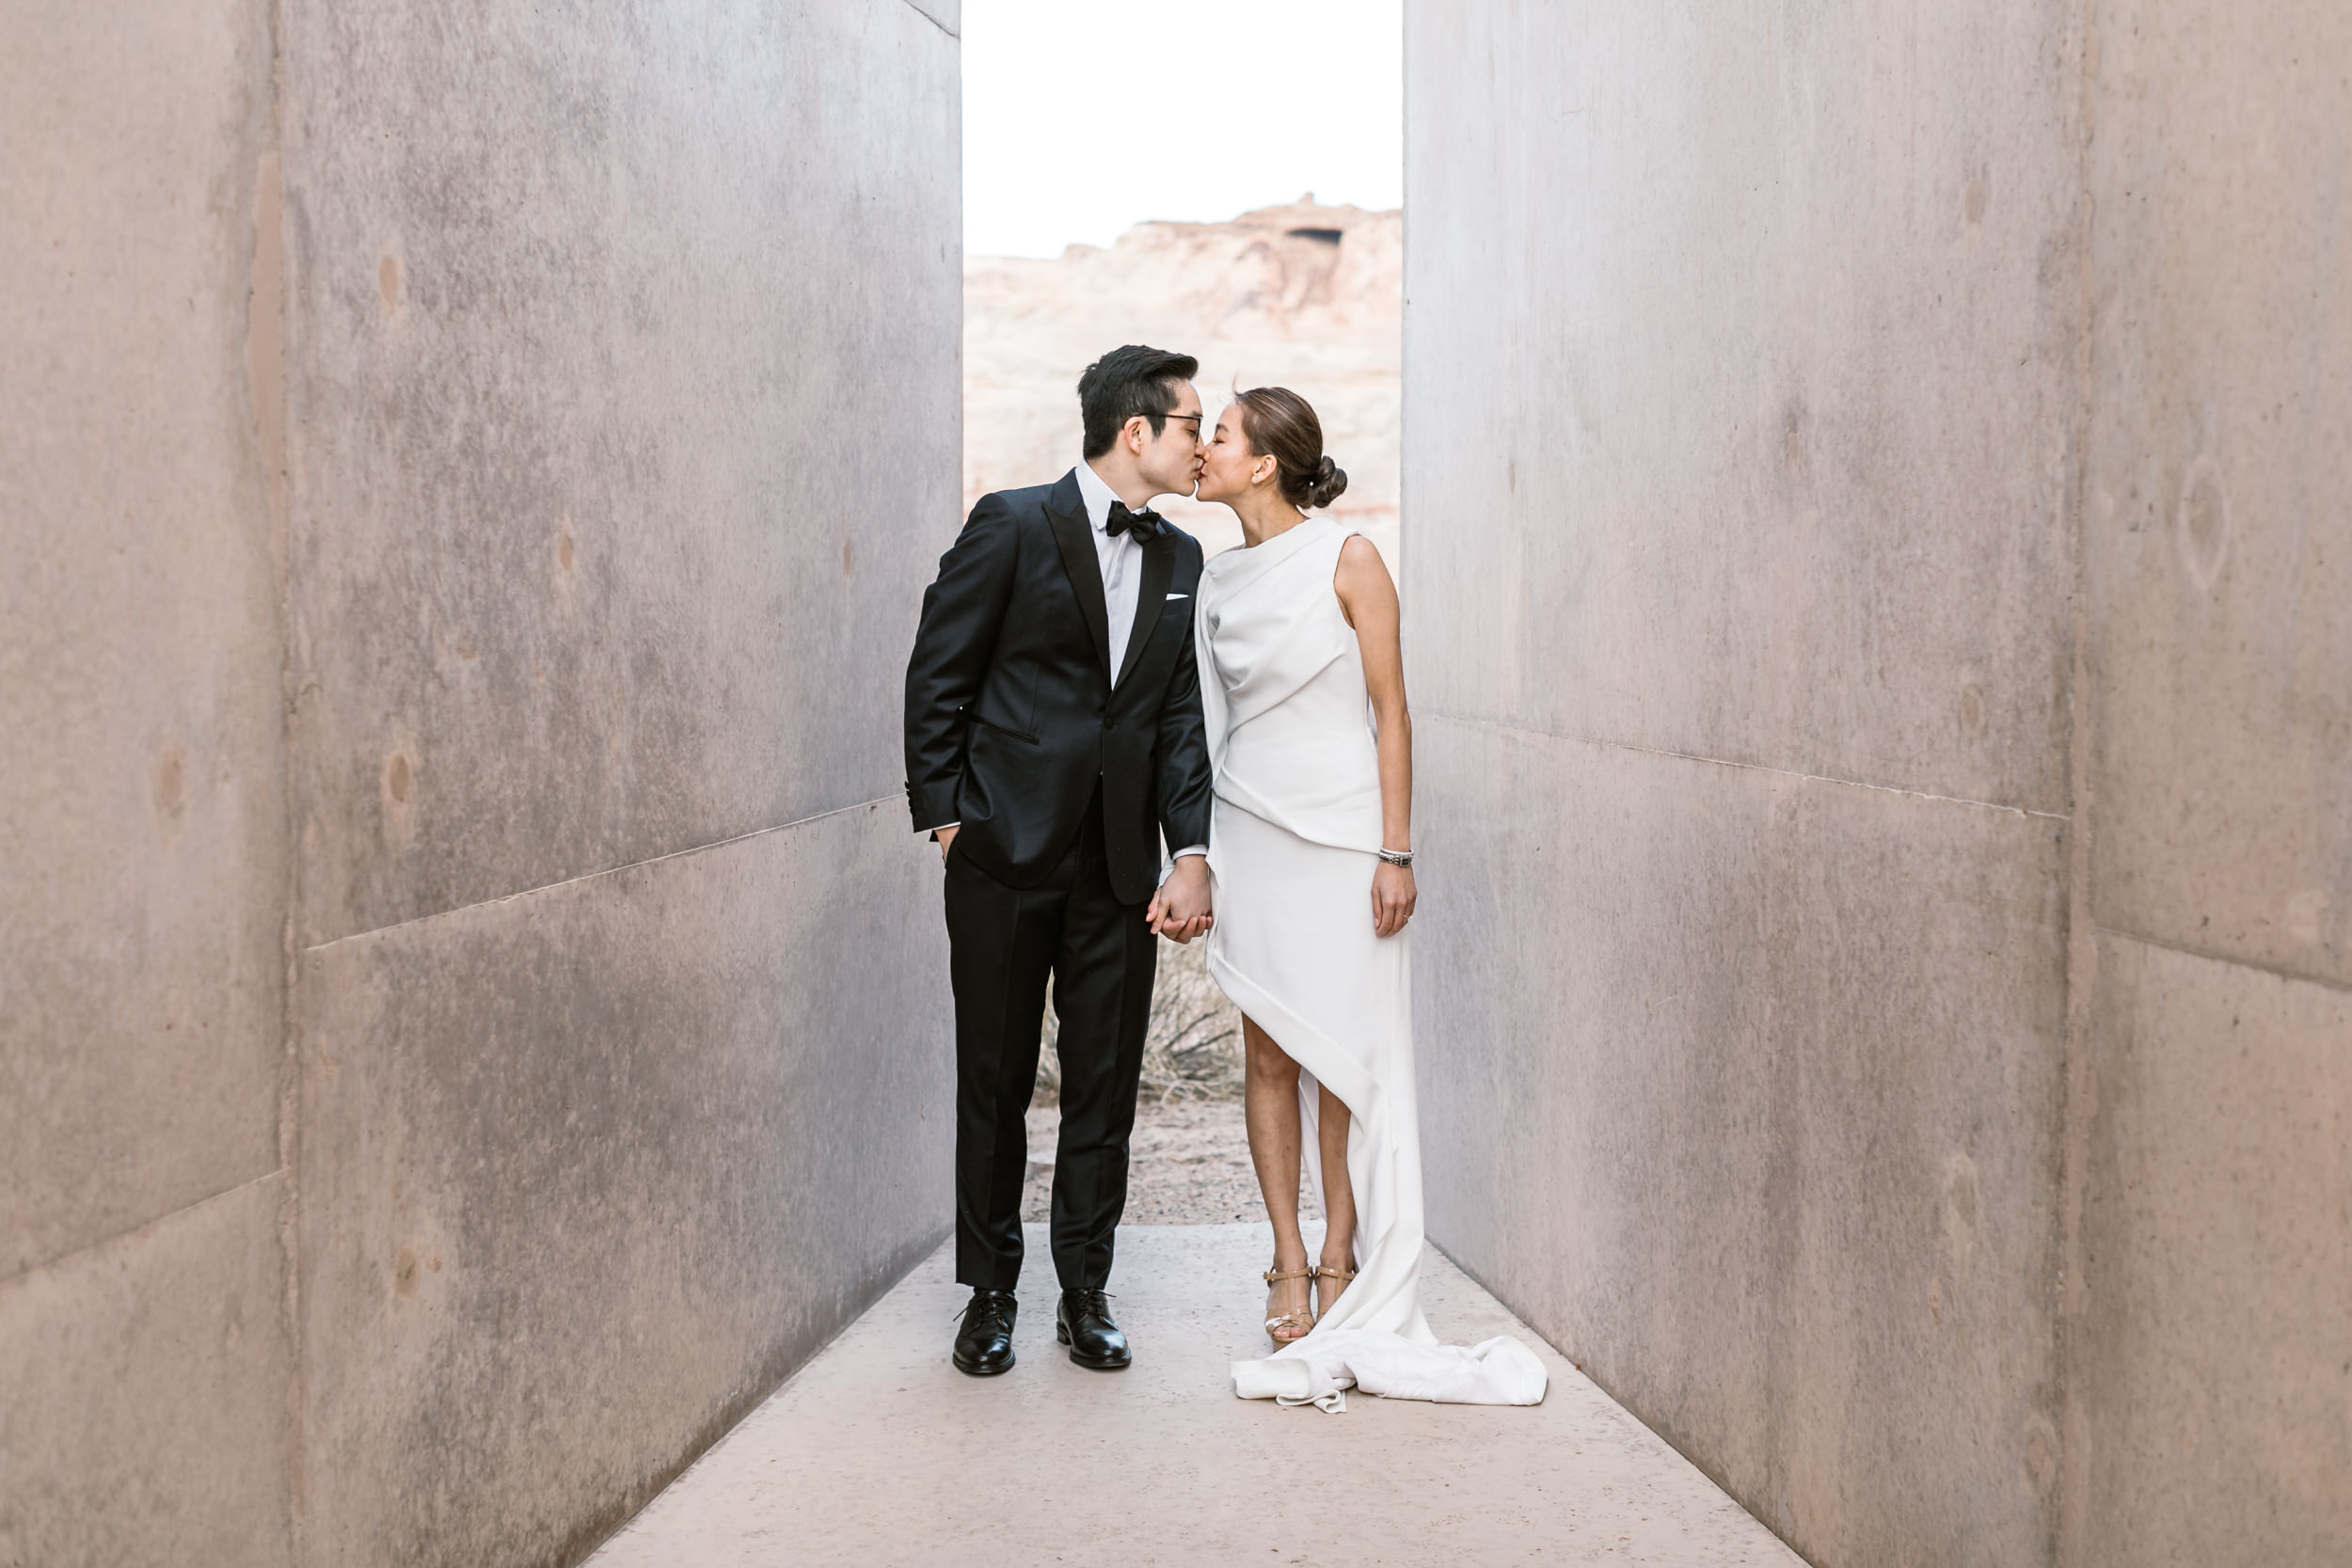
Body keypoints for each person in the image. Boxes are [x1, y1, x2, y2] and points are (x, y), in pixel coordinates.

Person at [1190, 387, 1545, 1411]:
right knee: (1266, 1050)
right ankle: (1287, 1258)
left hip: (1345, 838)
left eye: (1217, 434)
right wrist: (1203, 853)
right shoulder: (1214, 580)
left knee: (1341, 1050)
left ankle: (1345, 1256)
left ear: (1263, 462)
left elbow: (1390, 714)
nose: (1202, 448)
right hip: (1253, 828)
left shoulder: (1349, 559)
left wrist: (1395, 849)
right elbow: (1208, 726)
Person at [903, 344, 1216, 1378]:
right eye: (1189, 425)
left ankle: (1084, 1289)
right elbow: (937, 673)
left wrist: (1190, 852)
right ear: (1137, 431)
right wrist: (952, 821)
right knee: (992, 1080)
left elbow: (1175, 719)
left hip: (1121, 872)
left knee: (1104, 1084)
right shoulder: (1011, 520)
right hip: (1003, 854)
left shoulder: (1181, 559)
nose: (1201, 445)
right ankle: (989, 1290)